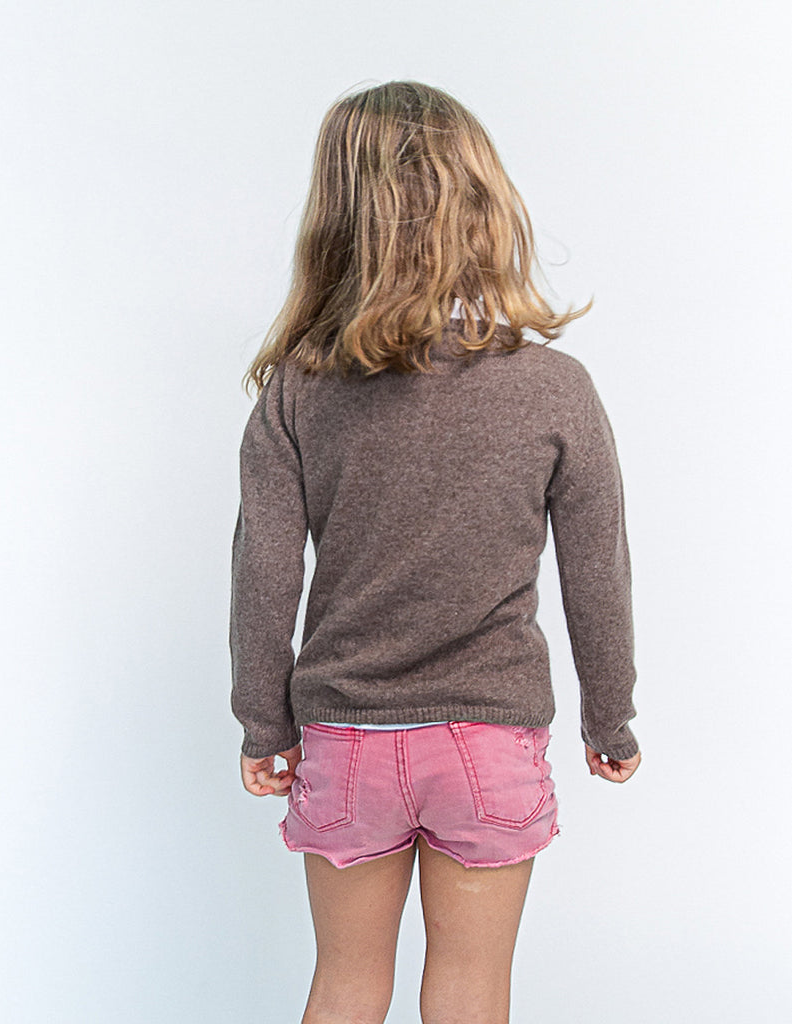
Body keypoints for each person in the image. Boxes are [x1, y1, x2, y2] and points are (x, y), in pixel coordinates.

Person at [229, 79, 642, 1024]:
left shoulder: (297, 389)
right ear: (484, 209)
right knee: (469, 992)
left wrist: (262, 722)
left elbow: (263, 573)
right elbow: (597, 575)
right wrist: (609, 718)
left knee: (343, 986)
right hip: (488, 742)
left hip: (348, 740)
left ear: (337, 222)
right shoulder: (555, 387)